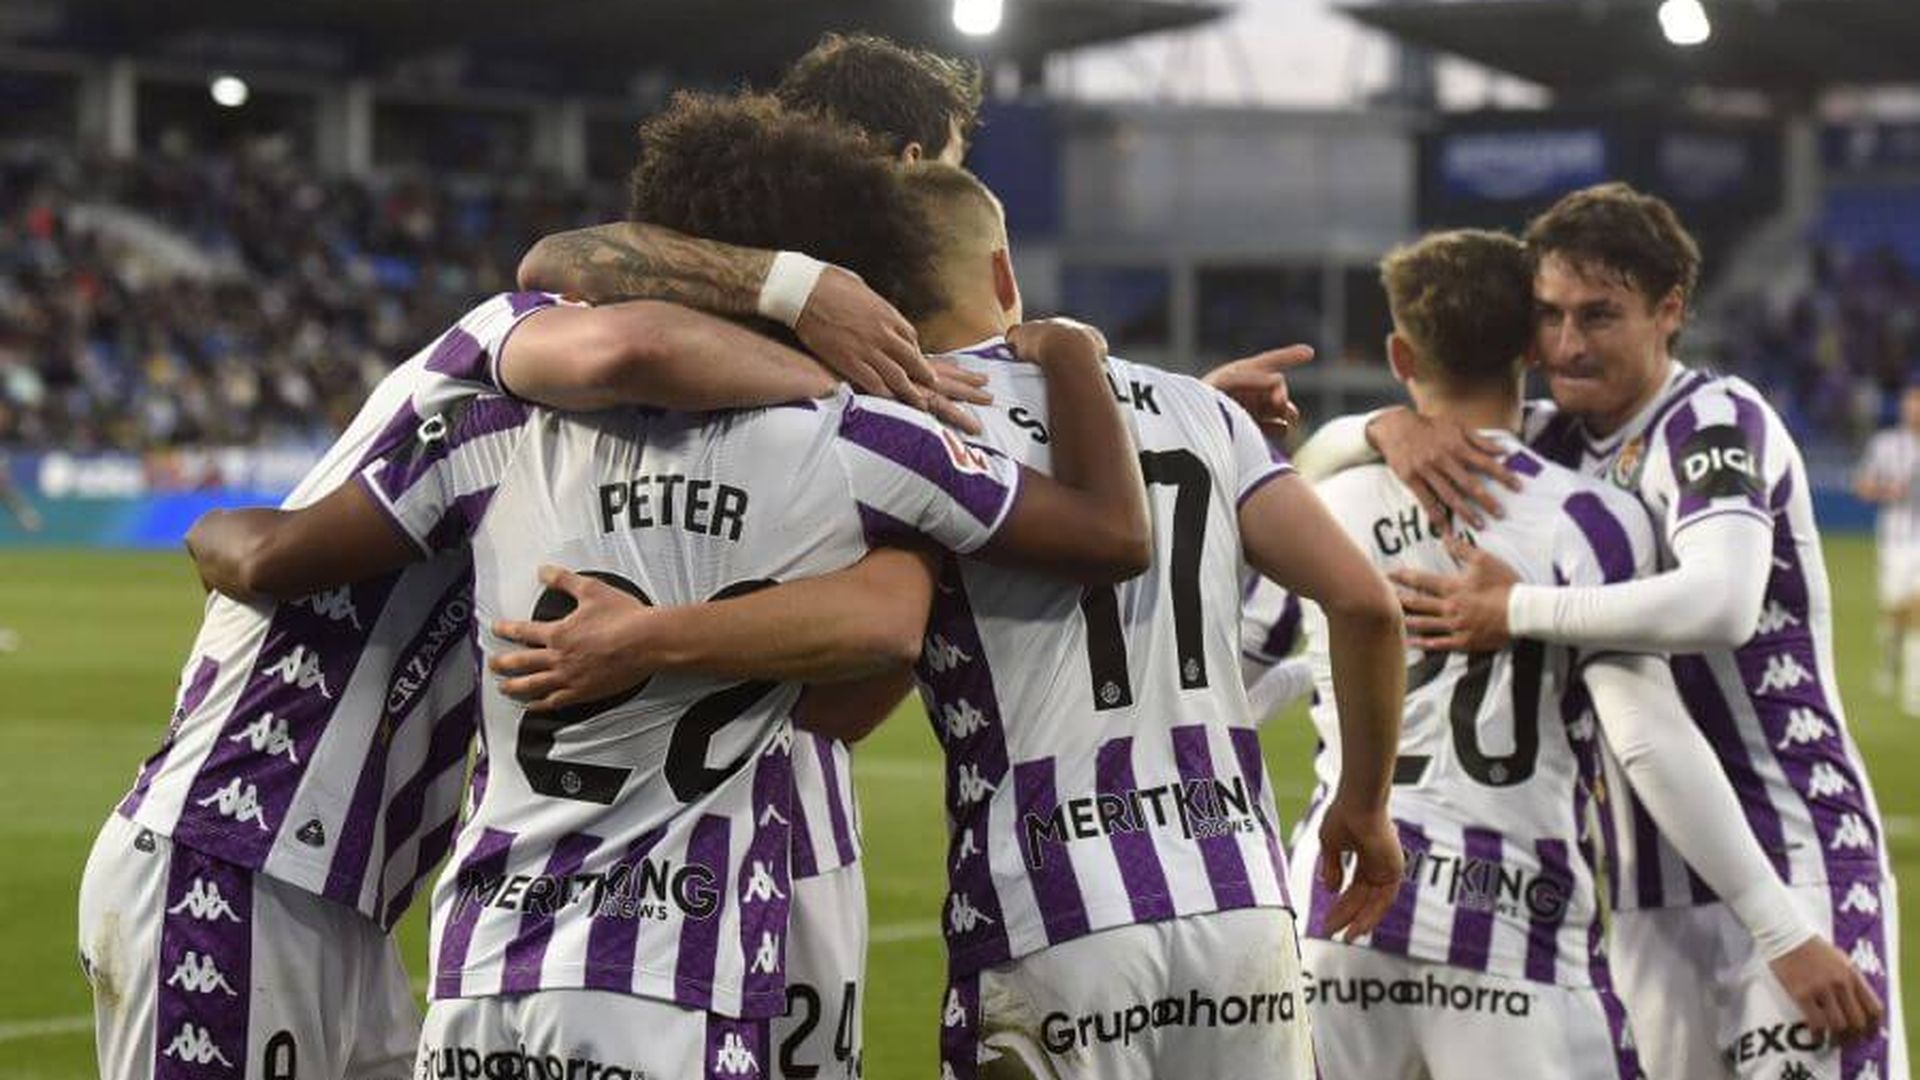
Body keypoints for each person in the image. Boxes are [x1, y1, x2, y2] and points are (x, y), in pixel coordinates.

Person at [184, 93, 1155, 1080]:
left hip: (482, 974)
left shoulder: (494, 427)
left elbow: (273, 552)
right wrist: (1088, 363)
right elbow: (1107, 536)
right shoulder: (861, 446)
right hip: (675, 979)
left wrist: (210, 533)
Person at [511, 160, 1408, 1080]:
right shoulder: (1205, 410)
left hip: (1050, 915)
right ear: (1005, 275)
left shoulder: (908, 419)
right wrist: (1365, 808)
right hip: (1244, 913)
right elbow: (1365, 606)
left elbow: (846, 707)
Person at [1301, 183, 1900, 1080]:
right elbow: (1332, 461)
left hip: (1792, 850)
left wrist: (1516, 610)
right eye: (1550, 317)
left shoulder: (1711, 423)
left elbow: (1722, 603)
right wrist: (1382, 425)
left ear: (1669, 313)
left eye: (1600, 315)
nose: (1570, 345)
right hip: (1646, 885)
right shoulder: (1552, 446)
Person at [1854, 382, 1920, 716]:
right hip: (1894, 540)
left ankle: (1914, 687)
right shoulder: (1885, 444)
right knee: (1895, 612)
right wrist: (1886, 491)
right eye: (1911, 403)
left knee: (1917, 611)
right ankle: (1889, 662)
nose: (1915, 410)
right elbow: (1862, 485)